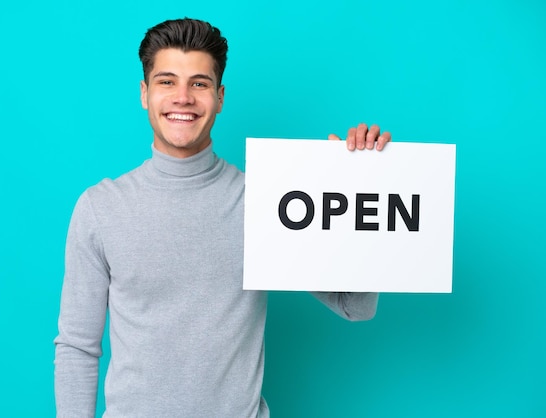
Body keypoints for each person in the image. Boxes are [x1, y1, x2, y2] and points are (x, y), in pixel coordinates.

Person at [54, 18, 391, 418]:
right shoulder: (100, 207)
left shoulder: (270, 202)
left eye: (199, 83)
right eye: (166, 82)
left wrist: (362, 191)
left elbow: (355, 306)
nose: (183, 97)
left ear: (220, 96)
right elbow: (77, 346)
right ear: (145, 94)